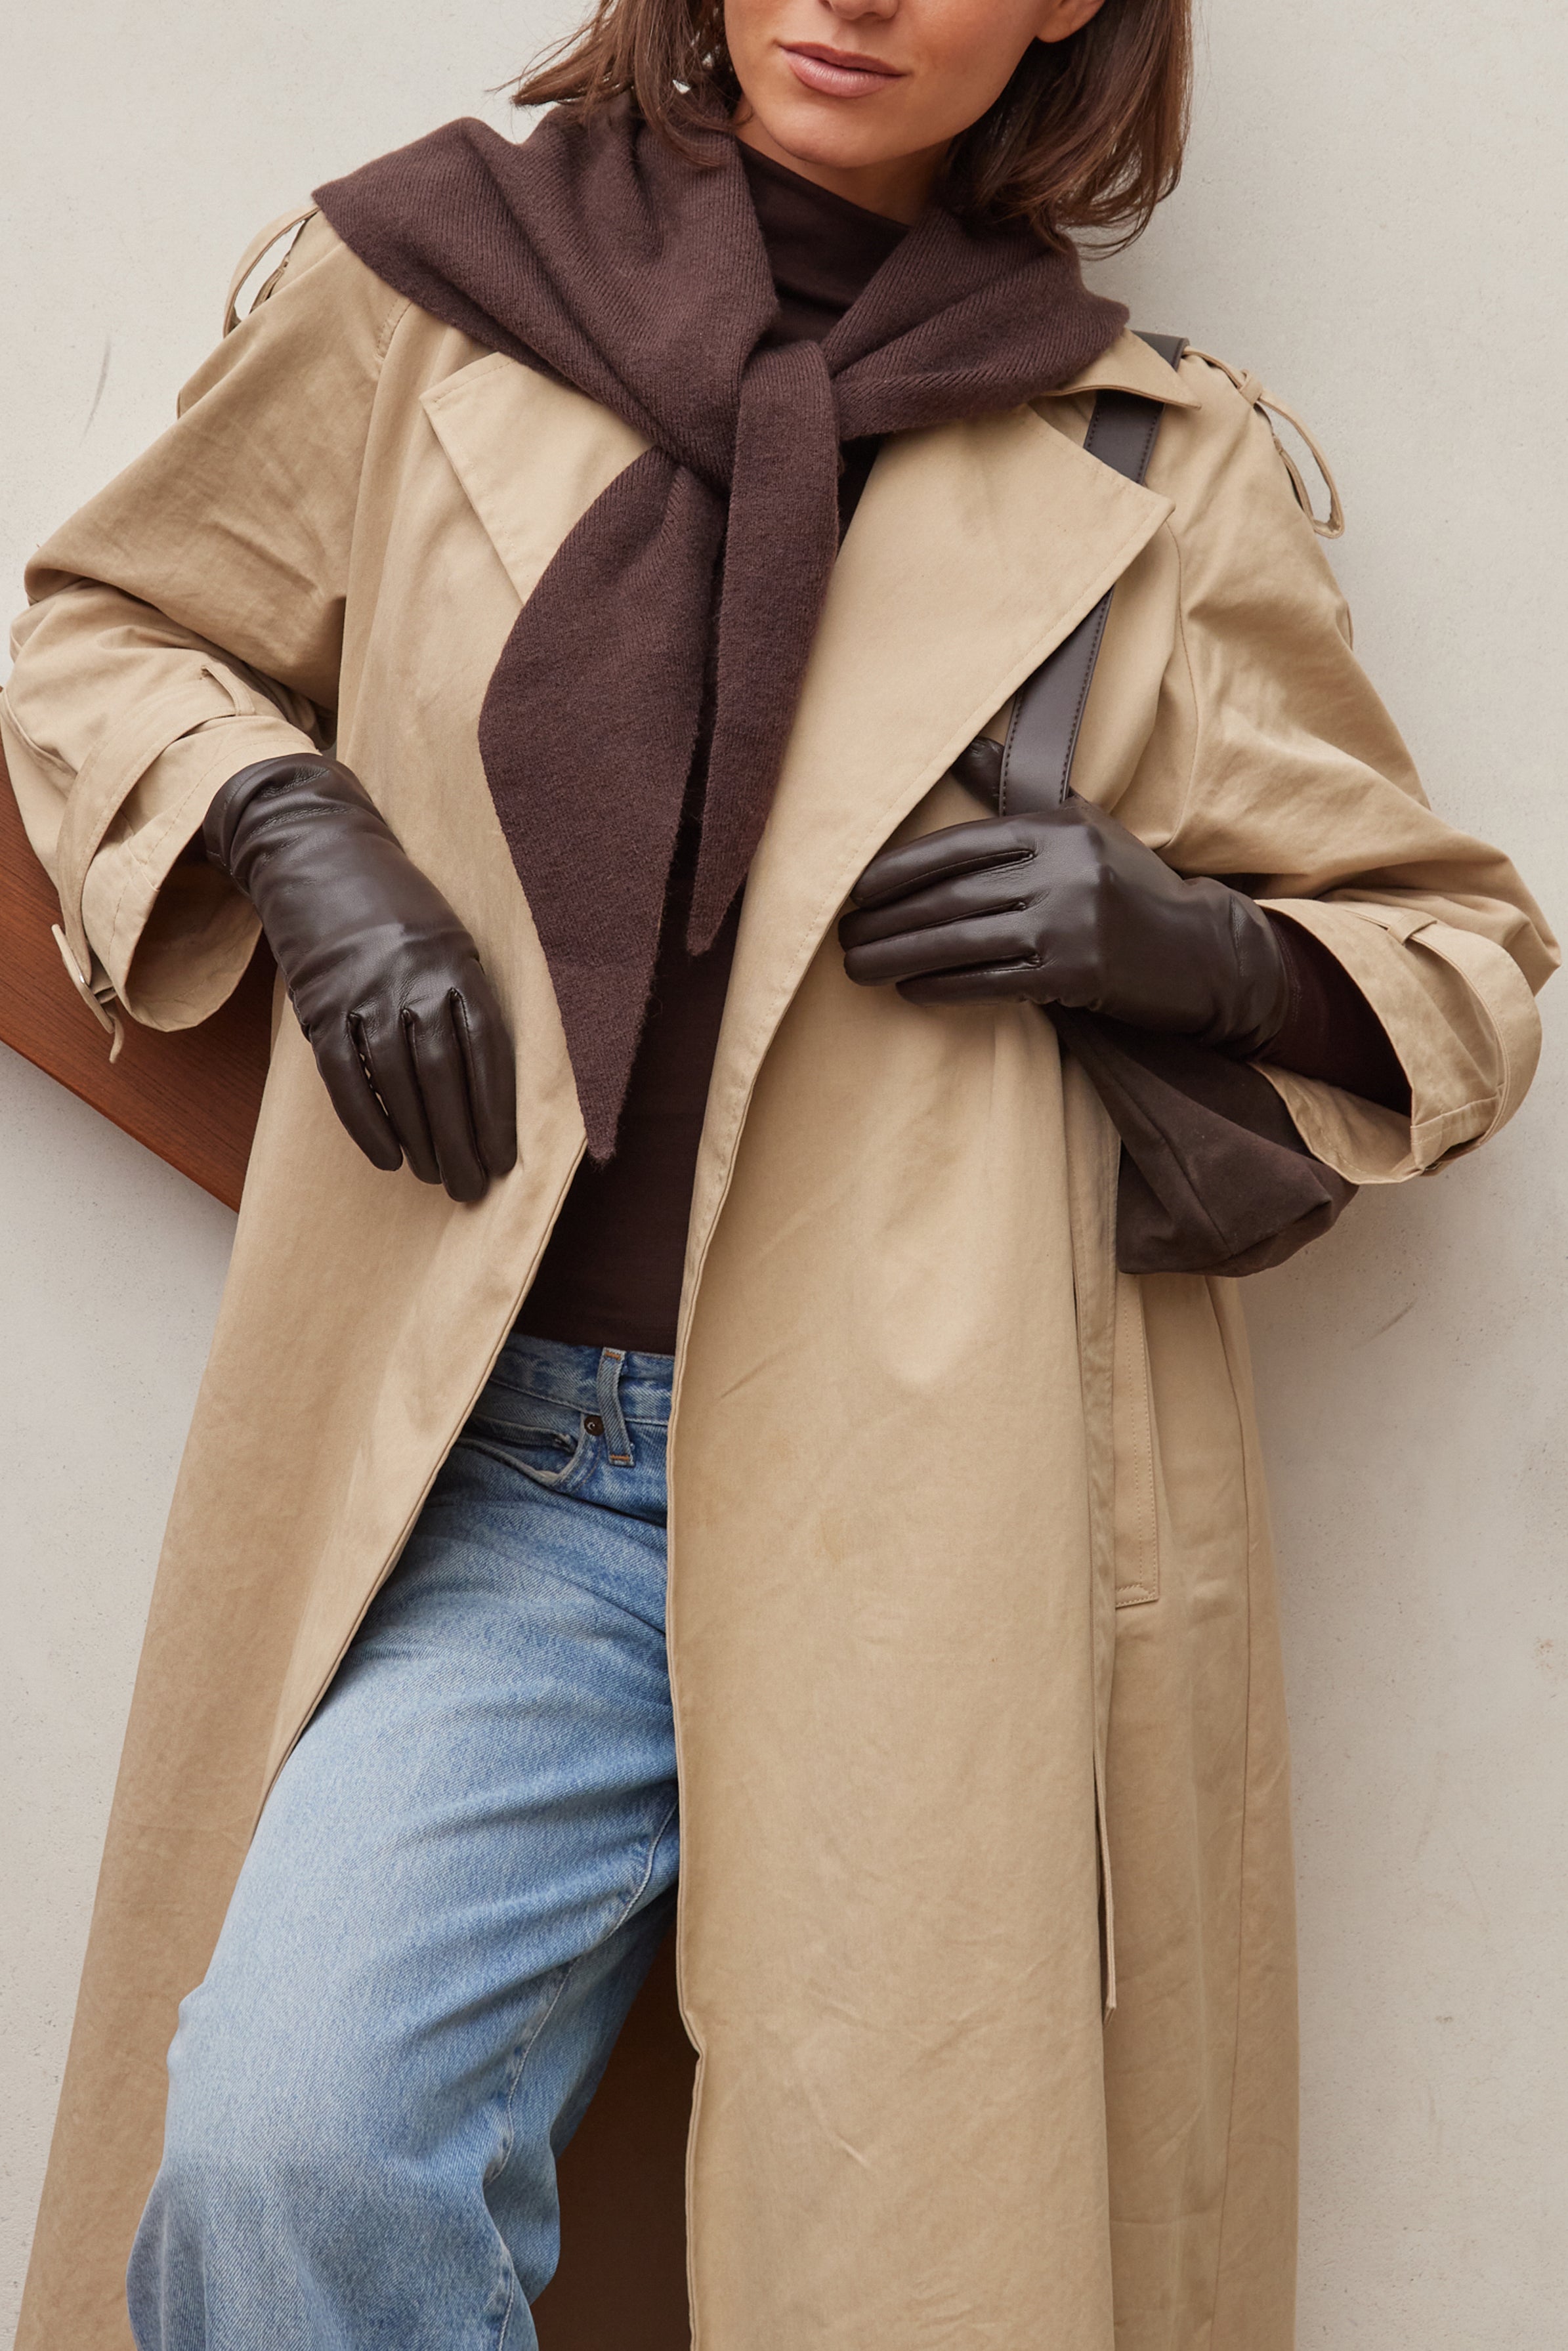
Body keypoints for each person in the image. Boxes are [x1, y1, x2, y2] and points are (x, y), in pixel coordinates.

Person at [2, 0, 1554, 2344]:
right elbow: (114, 629)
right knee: (287, 2151)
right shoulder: (426, 288)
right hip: (502, 1479)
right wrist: (293, 828)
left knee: (905, 2277)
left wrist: (1199, 944)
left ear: (1066, 10)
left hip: (940, 1499)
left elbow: (1455, 970)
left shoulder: (1149, 458)